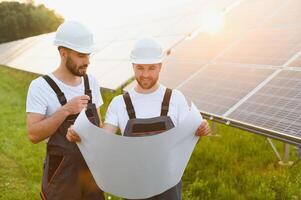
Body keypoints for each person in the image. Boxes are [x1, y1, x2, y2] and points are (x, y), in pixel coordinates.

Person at [67, 37, 210, 200]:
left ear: (160, 67)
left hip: (169, 186)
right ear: (133, 66)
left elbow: (189, 139)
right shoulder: (119, 103)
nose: (145, 75)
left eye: (151, 68)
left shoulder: (175, 99)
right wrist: (81, 136)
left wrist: (199, 131)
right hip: (133, 187)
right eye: (140, 68)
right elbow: (104, 140)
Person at [26, 21, 105, 200]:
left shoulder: (91, 82)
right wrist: (66, 110)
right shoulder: (40, 87)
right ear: (63, 53)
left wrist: (89, 135)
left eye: (88, 55)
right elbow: (33, 135)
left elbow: (98, 126)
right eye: (81, 55)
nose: (87, 61)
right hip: (61, 176)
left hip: (91, 173)